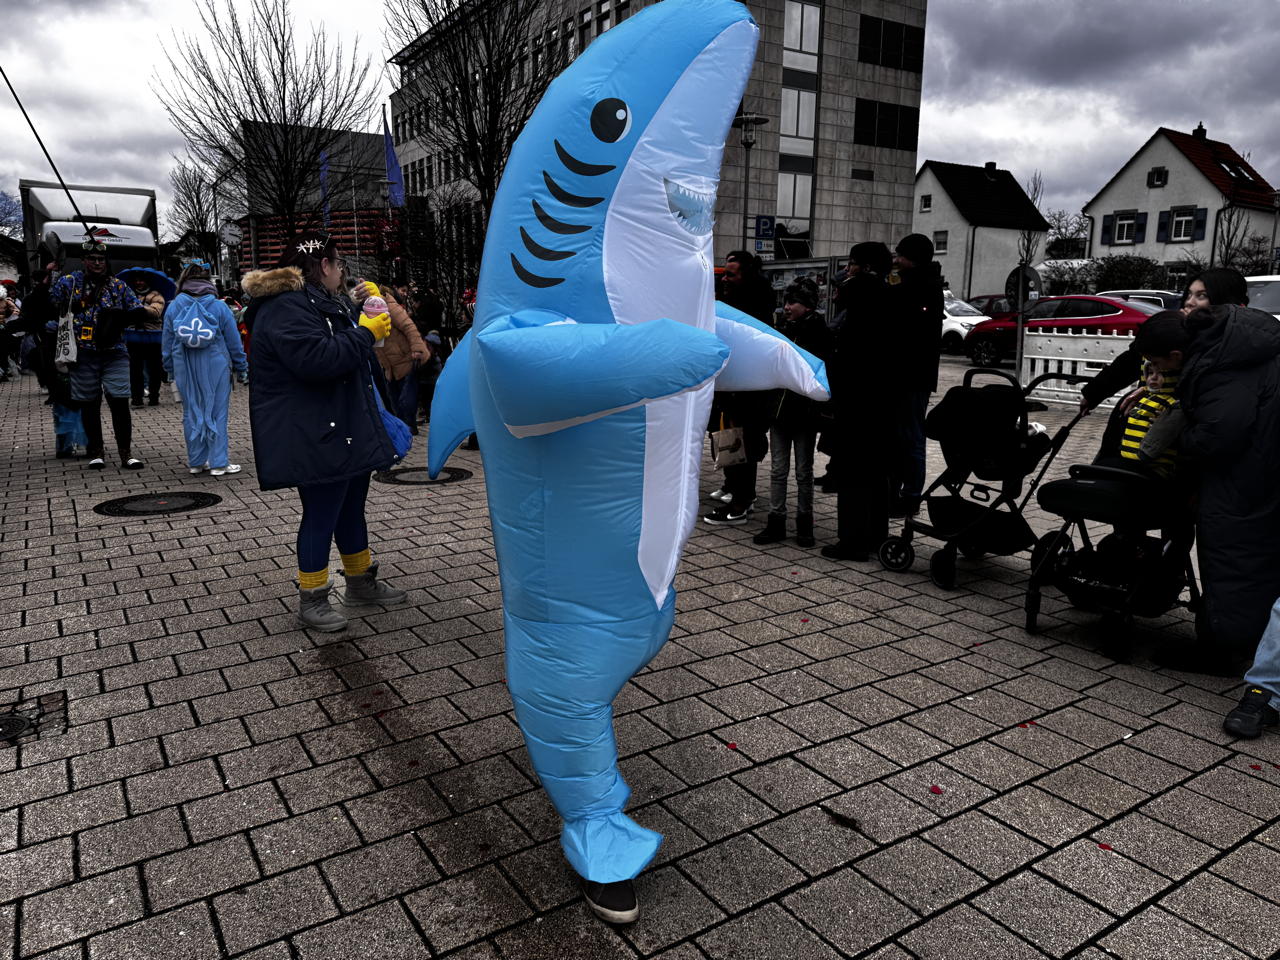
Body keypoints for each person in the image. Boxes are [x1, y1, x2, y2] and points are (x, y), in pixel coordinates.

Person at [242, 232, 407, 632]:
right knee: (321, 513)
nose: (342, 272)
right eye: (339, 264)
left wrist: (362, 309)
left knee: (350, 505)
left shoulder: (314, 301)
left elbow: (334, 341)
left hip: (339, 422)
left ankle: (360, 581)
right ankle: (312, 596)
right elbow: (317, 359)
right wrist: (366, 332)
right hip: (314, 429)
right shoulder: (285, 306)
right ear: (325, 266)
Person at [1160, 300, 1280, 678]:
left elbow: (1219, 433)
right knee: (1256, 560)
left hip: (1243, 479)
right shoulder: (1245, 347)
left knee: (1231, 558)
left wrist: (1182, 438)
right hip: (1265, 470)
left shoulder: (1223, 365)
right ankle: (1250, 641)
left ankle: (1222, 651)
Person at [1079, 268, 1248, 414]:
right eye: (1189, 294)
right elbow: (1129, 363)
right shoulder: (1172, 327)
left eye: (1201, 296)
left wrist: (1159, 395)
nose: (1190, 302)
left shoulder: (1232, 344)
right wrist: (1094, 394)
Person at [822, 242, 894, 561]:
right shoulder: (890, 296)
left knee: (851, 471)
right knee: (875, 471)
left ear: (864, 267)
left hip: (854, 398)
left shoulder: (858, 293)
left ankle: (852, 541)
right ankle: (876, 535)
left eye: (851, 263)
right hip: (880, 398)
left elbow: (843, 348)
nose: (846, 269)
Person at [49, 240, 148, 469]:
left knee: (119, 401)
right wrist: (53, 272)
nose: (97, 263)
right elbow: (53, 300)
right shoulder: (70, 281)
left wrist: (118, 318)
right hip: (83, 353)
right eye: (92, 259)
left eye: (101, 259)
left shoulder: (118, 285)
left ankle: (126, 454)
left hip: (115, 352)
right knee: (89, 403)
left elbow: (136, 310)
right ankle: (96, 452)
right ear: (83, 260)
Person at [754, 278, 832, 548]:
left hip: (804, 413)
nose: (786, 307)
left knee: (803, 471)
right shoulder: (783, 329)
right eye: (786, 302)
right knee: (778, 469)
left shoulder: (819, 333)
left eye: (793, 302)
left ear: (807, 306)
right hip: (779, 410)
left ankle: (804, 523)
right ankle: (776, 520)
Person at [704, 250, 778, 525]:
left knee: (743, 442)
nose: (724, 279)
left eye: (730, 274)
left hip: (748, 392)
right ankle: (735, 491)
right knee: (728, 437)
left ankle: (740, 504)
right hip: (731, 389)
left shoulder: (753, 310)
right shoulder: (732, 303)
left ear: (746, 277)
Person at [163, 261, 248, 476]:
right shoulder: (220, 306)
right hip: (216, 364)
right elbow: (233, 341)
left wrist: (169, 368)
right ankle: (219, 463)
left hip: (184, 365)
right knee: (218, 412)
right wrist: (241, 366)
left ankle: (196, 462)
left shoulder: (173, 306)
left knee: (191, 412)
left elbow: (167, 342)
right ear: (208, 281)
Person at [885, 233, 944, 515]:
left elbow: (905, 332)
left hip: (911, 376)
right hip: (910, 375)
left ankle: (910, 496)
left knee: (910, 436)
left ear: (913, 258)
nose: (896, 260)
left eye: (900, 255)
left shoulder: (921, 287)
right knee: (904, 435)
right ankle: (902, 492)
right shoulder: (916, 283)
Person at [374, 285, 430, 436]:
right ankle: (405, 429)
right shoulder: (368, 312)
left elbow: (408, 326)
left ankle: (408, 428)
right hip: (390, 367)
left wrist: (417, 348)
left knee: (405, 401)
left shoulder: (389, 307)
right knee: (396, 401)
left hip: (406, 360)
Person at [124, 273, 167, 406]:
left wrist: (140, 309)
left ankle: (154, 396)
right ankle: (137, 397)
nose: (139, 283)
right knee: (135, 369)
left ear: (147, 282)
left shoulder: (156, 295)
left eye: (141, 280)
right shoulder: (129, 294)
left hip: (152, 336)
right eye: (136, 280)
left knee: (154, 368)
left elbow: (156, 311)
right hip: (134, 336)